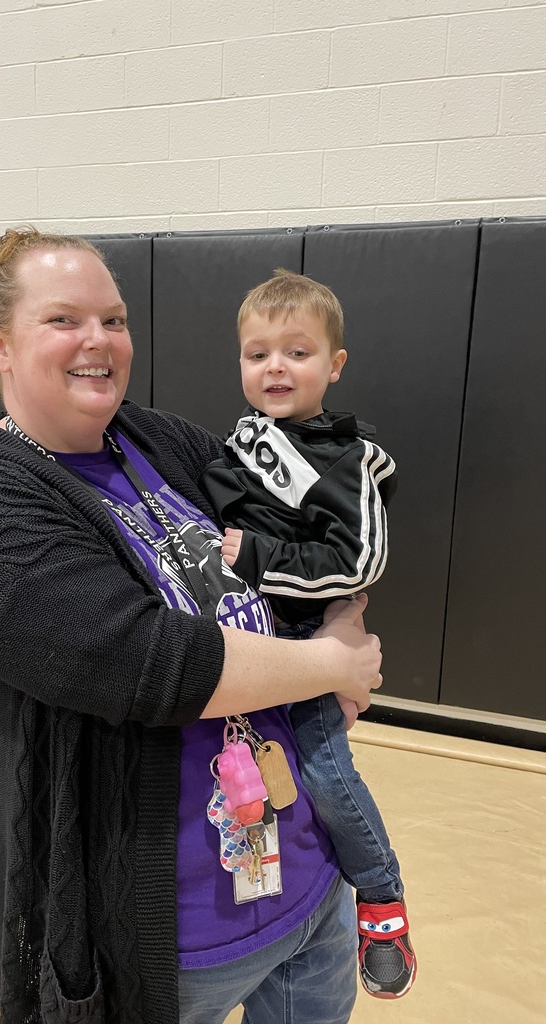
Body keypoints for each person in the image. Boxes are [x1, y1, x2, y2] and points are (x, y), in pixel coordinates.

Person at [0, 228, 383, 1024]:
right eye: (64, 320)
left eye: (116, 319)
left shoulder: (155, 440)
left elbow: (318, 536)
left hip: (309, 887)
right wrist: (332, 668)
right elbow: (148, 664)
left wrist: (340, 619)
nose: (99, 341)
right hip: (164, 948)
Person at [200, 269, 416, 999]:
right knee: (247, 778)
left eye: (296, 352)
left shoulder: (348, 460)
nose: (275, 368)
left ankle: (381, 900)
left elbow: (360, 562)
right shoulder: (233, 449)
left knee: (323, 769)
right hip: (241, 646)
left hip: (306, 645)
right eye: (258, 353)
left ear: (335, 364)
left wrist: (262, 561)